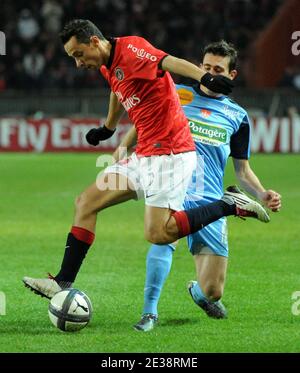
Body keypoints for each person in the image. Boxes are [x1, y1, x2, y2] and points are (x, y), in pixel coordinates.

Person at [23, 21, 268, 303]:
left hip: (171, 155)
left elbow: (169, 61)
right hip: (145, 154)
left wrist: (205, 78)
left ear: (94, 41)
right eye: (73, 58)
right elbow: (117, 87)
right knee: (85, 203)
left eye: (78, 54)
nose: (78, 63)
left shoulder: (133, 49)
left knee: (159, 233)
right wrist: (109, 127)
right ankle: (62, 282)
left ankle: (228, 205)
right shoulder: (107, 61)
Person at [112, 41, 282, 332]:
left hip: (211, 200)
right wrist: (124, 146)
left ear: (232, 75)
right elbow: (145, 121)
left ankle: (199, 293)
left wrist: (262, 193)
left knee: (213, 291)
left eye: (218, 69)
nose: (210, 73)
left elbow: (242, 169)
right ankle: (149, 313)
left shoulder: (238, 117)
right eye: (206, 67)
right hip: (174, 185)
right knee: (163, 239)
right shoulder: (179, 94)